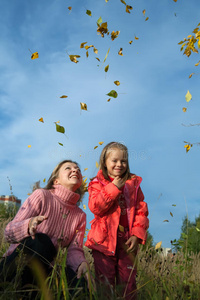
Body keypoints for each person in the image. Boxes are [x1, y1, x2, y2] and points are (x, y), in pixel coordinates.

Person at [0, 160, 90, 296]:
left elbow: (74, 250)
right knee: (41, 241)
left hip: (46, 270)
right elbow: (8, 232)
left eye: (78, 169)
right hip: (16, 265)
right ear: (56, 181)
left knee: (78, 281)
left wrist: (81, 264)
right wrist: (28, 224)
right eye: (68, 168)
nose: (75, 170)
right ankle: (12, 290)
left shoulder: (80, 215)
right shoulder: (41, 195)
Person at [85, 142, 149, 299]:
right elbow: (96, 207)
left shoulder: (133, 184)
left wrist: (136, 234)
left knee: (128, 282)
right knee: (105, 281)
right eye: (114, 160)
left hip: (127, 240)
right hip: (103, 241)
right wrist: (113, 187)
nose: (119, 164)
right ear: (105, 163)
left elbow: (141, 210)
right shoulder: (96, 184)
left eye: (123, 161)